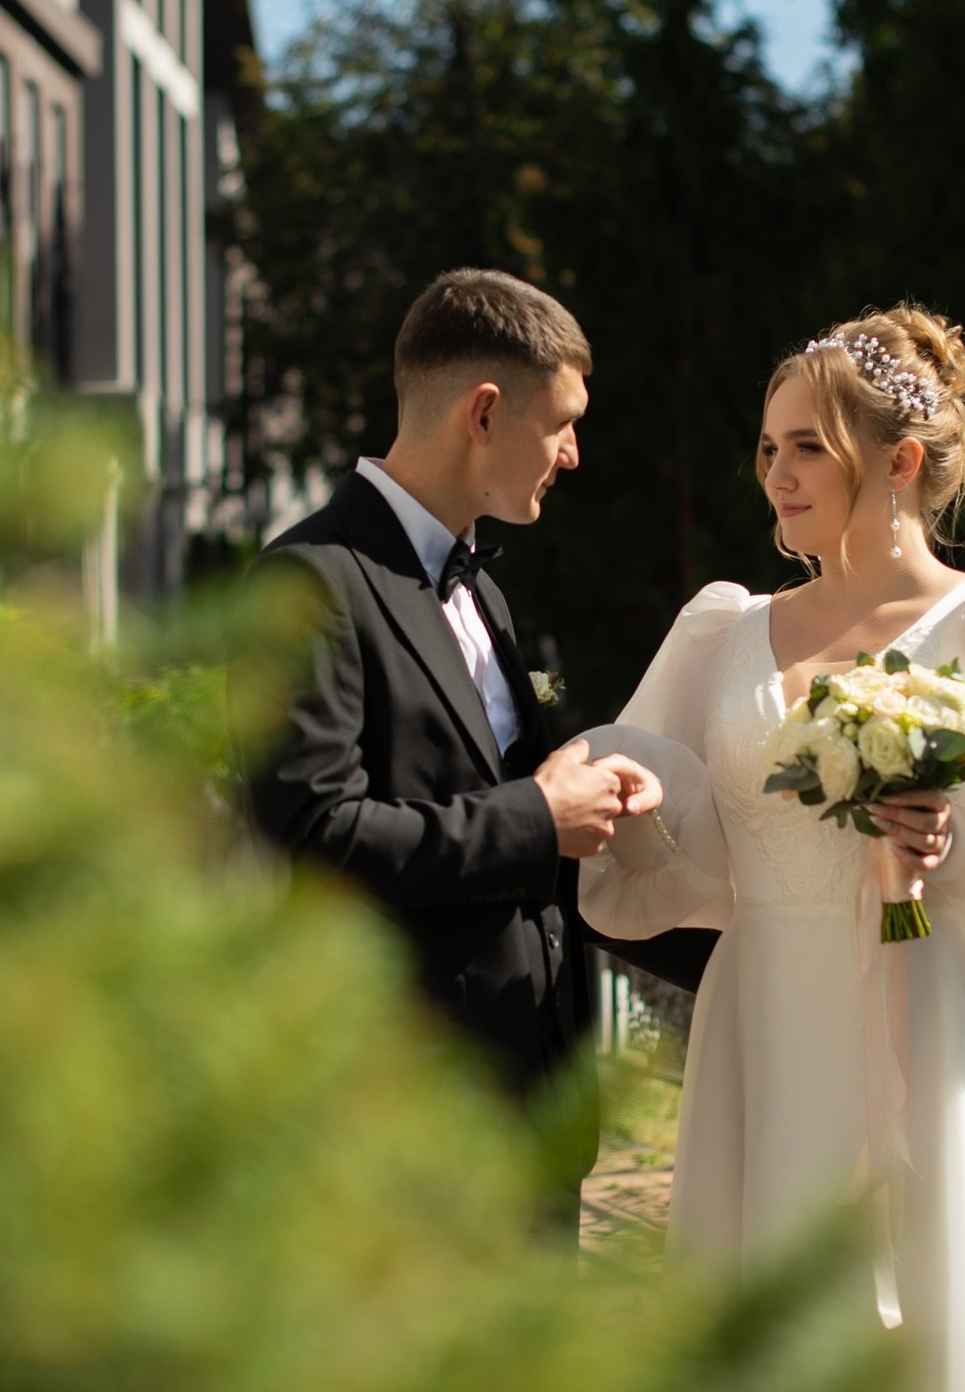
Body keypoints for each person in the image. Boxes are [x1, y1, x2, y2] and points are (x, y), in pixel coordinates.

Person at [576, 307, 965, 1391]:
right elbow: (685, 843)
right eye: (769, 445)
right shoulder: (723, 630)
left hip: (947, 1023)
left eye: (808, 444)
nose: (778, 473)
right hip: (768, 1016)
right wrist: (623, 799)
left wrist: (963, 843)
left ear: (897, 460)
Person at [242, 267, 701, 1232]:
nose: (574, 454)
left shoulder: (482, 590)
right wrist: (538, 816)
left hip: (531, 1102)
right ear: (484, 413)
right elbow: (314, 833)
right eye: (563, 420)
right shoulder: (308, 582)